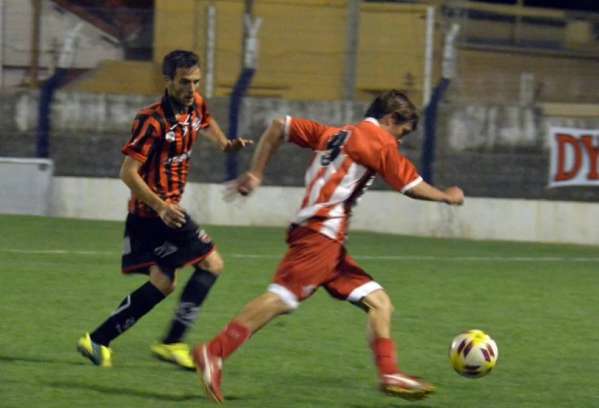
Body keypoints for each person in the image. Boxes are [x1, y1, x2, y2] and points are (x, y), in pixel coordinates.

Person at [192, 90, 464, 402]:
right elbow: (411, 186)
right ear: (389, 119)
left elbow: (280, 126)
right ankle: (214, 352)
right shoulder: (378, 140)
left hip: (327, 241)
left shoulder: (336, 134)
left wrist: (256, 172)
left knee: (379, 302)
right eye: (401, 132)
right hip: (321, 235)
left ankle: (389, 372)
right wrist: (448, 197)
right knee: (282, 298)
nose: (399, 141)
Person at [77, 50, 252, 370]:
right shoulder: (152, 120)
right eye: (184, 82)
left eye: (196, 82)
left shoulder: (195, 104)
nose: (191, 88)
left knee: (163, 283)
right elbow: (127, 173)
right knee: (212, 264)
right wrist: (160, 207)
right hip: (156, 213)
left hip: (158, 214)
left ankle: (97, 341)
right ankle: (172, 343)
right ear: (168, 80)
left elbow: (206, 121)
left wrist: (225, 144)